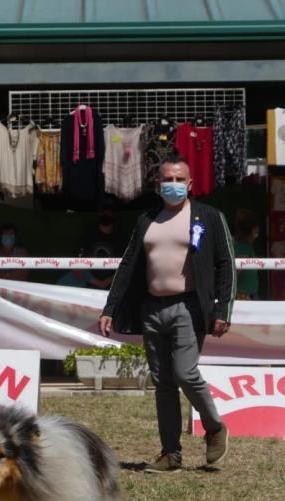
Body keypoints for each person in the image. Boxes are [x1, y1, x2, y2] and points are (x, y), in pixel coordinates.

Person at [99, 156, 235, 472]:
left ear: (190, 184)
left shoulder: (208, 217)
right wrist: (111, 307)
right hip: (151, 308)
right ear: (157, 185)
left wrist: (222, 309)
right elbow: (128, 263)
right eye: (166, 180)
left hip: (188, 306)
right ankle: (170, 454)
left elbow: (226, 263)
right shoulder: (146, 219)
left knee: (185, 372)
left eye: (179, 179)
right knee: (162, 383)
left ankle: (214, 427)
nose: (172, 185)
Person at [79, 205, 129, 290]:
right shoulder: (88, 236)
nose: (106, 214)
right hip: (89, 285)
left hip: (115, 285)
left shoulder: (121, 238)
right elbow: (77, 263)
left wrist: (107, 282)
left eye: (109, 211)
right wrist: (97, 282)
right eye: (103, 211)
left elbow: (126, 264)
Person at [232, 209, 261, 300]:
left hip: (247, 295)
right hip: (243, 296)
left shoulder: (246, 246)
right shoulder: (243, 247)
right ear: (254, 229)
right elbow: (236, 272)